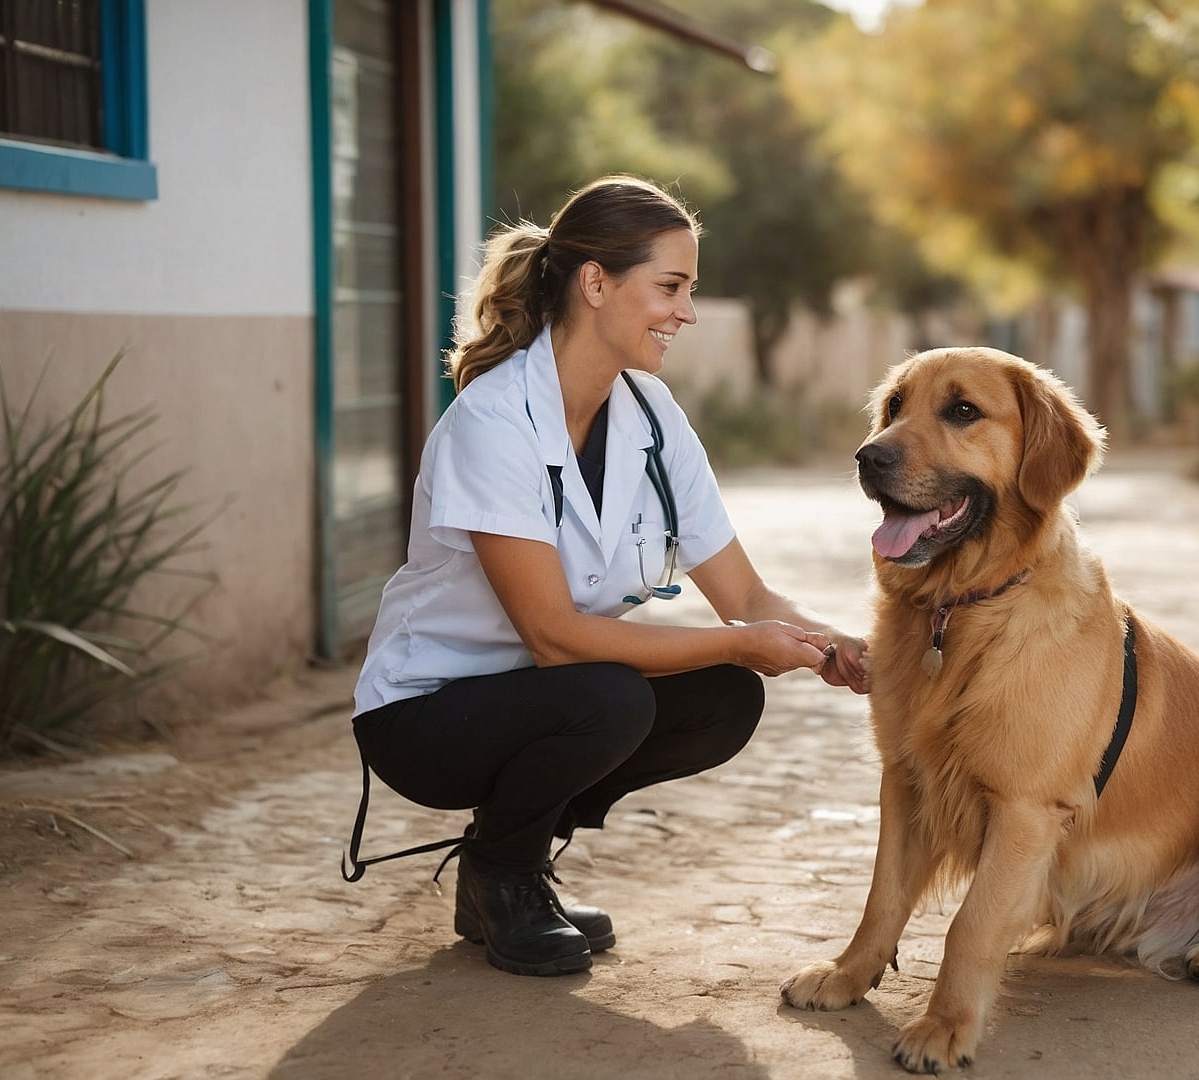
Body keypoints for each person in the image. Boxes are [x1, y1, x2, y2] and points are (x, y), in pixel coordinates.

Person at [347, 175, 869, 979]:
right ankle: (503, 873)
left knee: (725, 701)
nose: (686, 313)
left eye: (688, 291)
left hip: (545, 699)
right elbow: (555, 638)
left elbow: (747, 597)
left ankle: (509, 853)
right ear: (596, 283)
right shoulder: (494, 422)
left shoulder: (652, 416)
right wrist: (735, 645)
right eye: (670, 287)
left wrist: (840, 644)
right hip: (428, 715)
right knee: (612, 693)